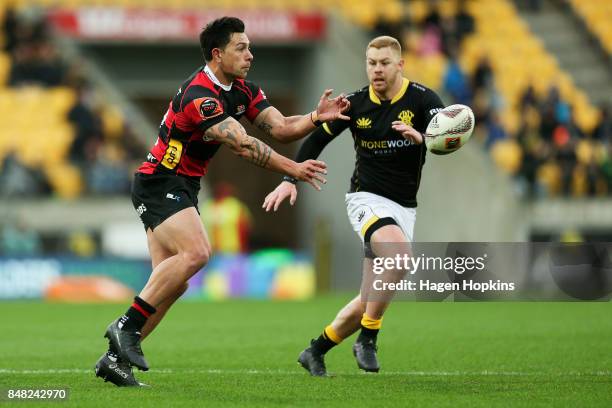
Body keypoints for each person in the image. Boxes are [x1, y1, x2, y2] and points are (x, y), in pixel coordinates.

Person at [94, 16, 349, 387]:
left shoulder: (243, 89)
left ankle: (115, 361)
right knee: (197, 254)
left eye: (249, 46)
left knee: (171, 283)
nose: (250, 54)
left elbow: (279, 128)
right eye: (241, 48)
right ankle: (125, 326)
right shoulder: (199, 96)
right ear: (217, 54)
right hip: (160, 181)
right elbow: (243, 144)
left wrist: (314, 117)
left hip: (183, 185)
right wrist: (293, 167)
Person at [263, 35, 445, 376]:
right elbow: (316, 138)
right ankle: (369, 338)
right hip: (366, 199)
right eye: (371, 63)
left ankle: (315, 350)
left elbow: (447, 138)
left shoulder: (423, 99)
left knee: (368, 298)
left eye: (384, 63)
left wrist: (422, 138)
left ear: (400, 65)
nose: (377, 70)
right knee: (401, 258)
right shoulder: (355, 104)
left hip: (404, 207)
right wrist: (290, 179)